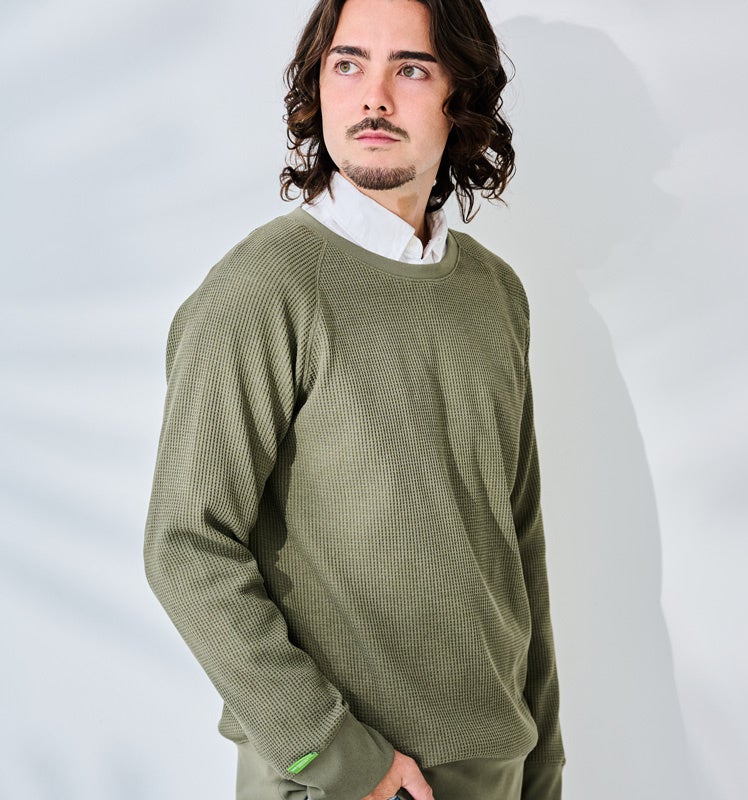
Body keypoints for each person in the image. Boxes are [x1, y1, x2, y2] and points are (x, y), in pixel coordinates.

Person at [144, 0, 565, 798]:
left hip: (494, 768)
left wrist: (542, 766)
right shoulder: (263, 289)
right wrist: (332, 753)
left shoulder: (495, 293)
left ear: (462, 96)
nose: (374, 96)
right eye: (348, 64)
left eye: (411, 68)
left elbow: (519, 542)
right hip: (343, 779)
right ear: (318, 87)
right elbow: (186, 544)